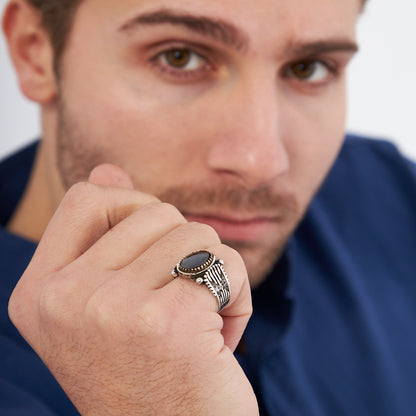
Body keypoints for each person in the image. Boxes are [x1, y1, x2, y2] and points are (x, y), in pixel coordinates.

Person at [1, 0, 416, 414]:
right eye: (179, 58)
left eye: (309, 67)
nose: (260, 164)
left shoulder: (393, 196)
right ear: (33, 50)